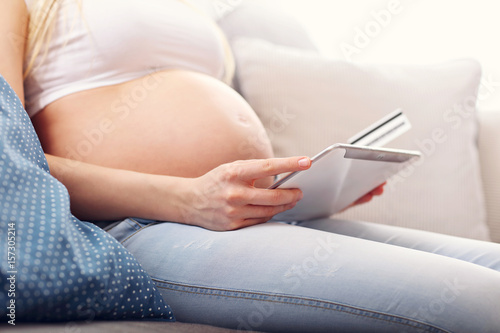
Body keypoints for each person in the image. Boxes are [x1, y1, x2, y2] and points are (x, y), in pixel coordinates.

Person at [2, 0, 499, 331]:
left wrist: (307, 186)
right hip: (132, 227)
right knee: (483, 301)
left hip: (245, 219)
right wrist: (187, 198)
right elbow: (10, 157)